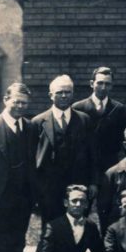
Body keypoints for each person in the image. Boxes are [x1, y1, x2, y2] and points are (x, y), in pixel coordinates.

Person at [32, 74, 96, 222]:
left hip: (78, 185)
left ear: (73, 94)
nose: (63, 96)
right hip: (49, 188)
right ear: (51, 95)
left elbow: (93, 154)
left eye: (67, 92)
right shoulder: (38, 122)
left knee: (78, 226)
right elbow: (32, 158)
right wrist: (36, 187)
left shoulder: (84, 120)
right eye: (59, 92)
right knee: (51, 227)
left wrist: (93, 182)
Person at [0, 83, 37, 252]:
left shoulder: (30, 128)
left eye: (24, 103)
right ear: (6, 100)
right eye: (16, 102)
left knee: (17, 243)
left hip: (22, 199)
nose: (21, 106)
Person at [72, 66, 126, 174]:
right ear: (92, 83)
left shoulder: (119, 109)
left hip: (110, 166)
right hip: (85, 166)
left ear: (112, 86)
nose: (103, 87)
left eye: (107, 84)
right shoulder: (78, 108)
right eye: (100, 83)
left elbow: (122, 140)